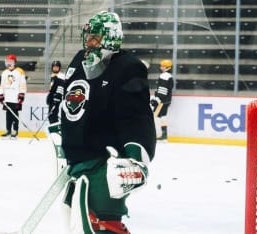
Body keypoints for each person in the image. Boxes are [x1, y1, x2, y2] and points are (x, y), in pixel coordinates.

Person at [57, 11, 156, 233]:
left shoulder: (127, 67)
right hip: (78, 162)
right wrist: (60, 130)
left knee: (103, 222)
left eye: (96, 38)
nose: (89, 43)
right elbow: (72, 104)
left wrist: (135, 155)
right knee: (73, 219)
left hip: (104, 164)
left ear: (111, 37)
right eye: (88, 37)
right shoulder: (78, 61)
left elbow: (136, 117)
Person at [0, 54, 27, 138]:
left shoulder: (20, 71)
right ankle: (8, 130)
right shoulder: (4, 72)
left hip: (15, 97)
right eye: (7, 62)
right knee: (8, 114)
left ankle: (15, 130)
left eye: (10, 62)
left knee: (15, 114)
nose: (8, 63)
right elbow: (2, 85)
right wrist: (0, 94)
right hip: (7, 97)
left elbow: (23, 84)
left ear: (14, 62)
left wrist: (21, 95)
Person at [150, 59, 174, 141]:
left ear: (167, 67)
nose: (161, 67)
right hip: (166, 100)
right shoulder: (170, 76)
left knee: (155, 117)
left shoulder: (164, 76)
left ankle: (154, 135)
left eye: (163, 66)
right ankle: (164, 136)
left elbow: (162, 89)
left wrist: (157, 99)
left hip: (162, 100)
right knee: (163, 116)